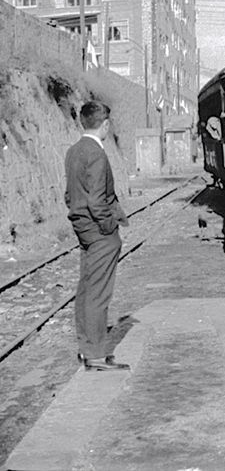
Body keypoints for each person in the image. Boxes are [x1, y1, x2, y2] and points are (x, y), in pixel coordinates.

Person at [64, 101, 130, 371]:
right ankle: (96, 355)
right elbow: (97, 201)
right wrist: (107, 226)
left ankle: (86, 349)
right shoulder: (97, 154)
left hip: (82, 228)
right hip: (98, 229)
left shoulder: (73, 151)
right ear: (105, 125)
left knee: (86, 289)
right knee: (98, 293)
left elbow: (69, 195)